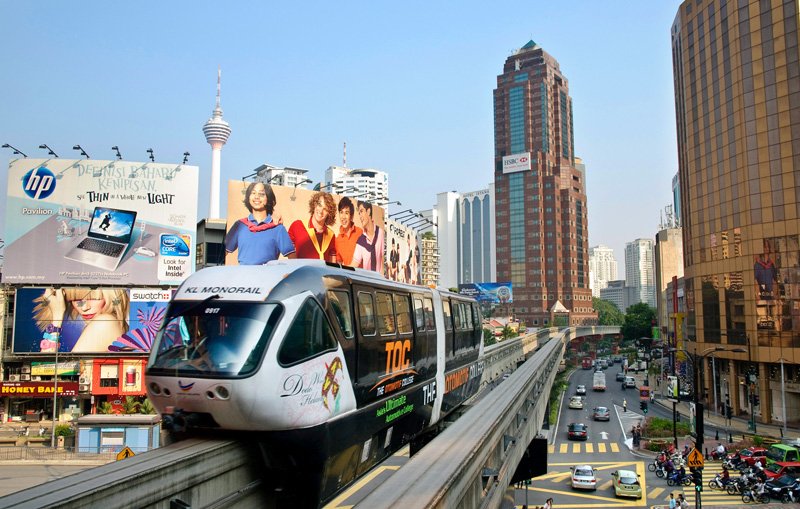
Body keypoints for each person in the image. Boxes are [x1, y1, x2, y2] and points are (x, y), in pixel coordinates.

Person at [33, 287, 130, 352]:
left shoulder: (105, 323)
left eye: (93, 298)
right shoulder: (114, 323)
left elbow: (47, 371)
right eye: (76, 299)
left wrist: (57, 318)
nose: (84, 308)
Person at [224, 182, 294, 265]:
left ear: (268, 198)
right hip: (243, 275)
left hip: (266, 276)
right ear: (248, 197)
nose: (257, 197)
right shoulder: (239, 225)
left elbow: (292, 257)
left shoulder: (278, 228)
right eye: (253, 193)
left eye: (261, 194)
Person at [288, 192, 338, 261]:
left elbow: (332, 263)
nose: (321, 211)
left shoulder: (331, 235)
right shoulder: (297, 226)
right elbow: (289, 252)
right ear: (314, 204)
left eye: (325, 209)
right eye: (319, 205)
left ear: (329, 213)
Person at [350, 201, 385, 273]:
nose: (360, 216)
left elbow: (383, 259)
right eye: (359, 213)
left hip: (381, 281)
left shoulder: (381, 233)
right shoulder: (361, 241)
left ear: (368, 211)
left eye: (361, 211)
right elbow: (353, 265)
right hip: (368, 282)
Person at [334, 197, 362, 266]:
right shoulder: (338, 240)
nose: (343, 217)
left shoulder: (360, 233)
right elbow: (339, 265)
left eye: (346, 213)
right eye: (341, 212)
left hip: (362, 275)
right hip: (348, 276)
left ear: (351, 216)